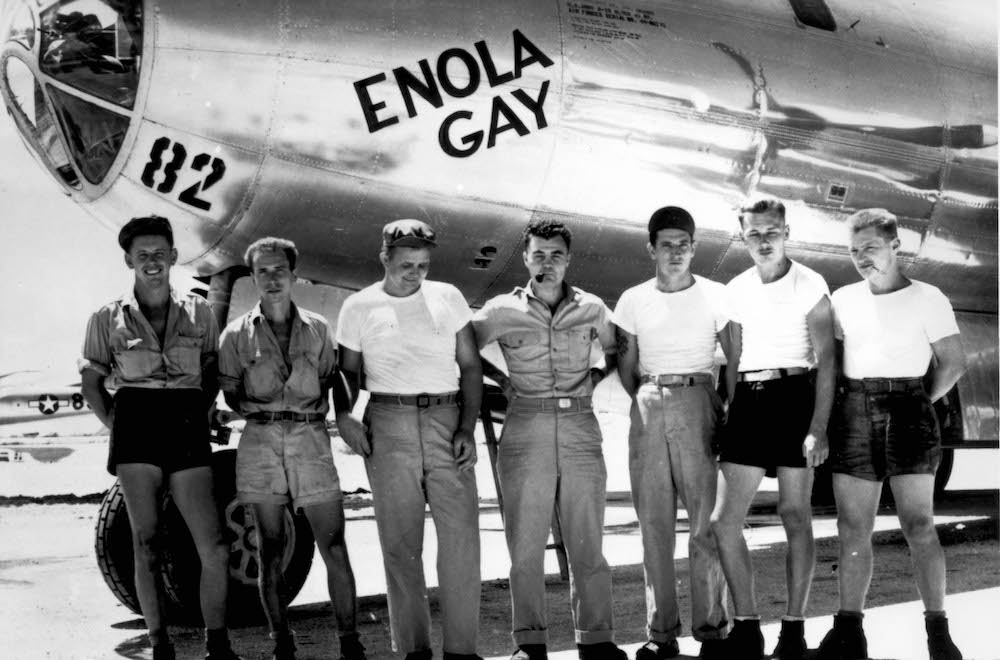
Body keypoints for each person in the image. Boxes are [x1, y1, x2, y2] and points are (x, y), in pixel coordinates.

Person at [79, 215, 241, 660]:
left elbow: (211, 369)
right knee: (146, 542)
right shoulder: (105, 318)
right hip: (136, 425)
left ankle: (218, 645)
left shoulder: (201, 310)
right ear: (129, 260)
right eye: (142, 255)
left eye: (159, 254)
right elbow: (91, 383)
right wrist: (120, 428)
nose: (151, 262)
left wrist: (202, 407)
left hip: (185, 424)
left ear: (173, 256)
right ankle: (160, 644)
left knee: (213, 544)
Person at [472, 218, 626, 660]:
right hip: (526, 426)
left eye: (556, 254)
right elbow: (462, 346)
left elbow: (616, 349)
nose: (547, 263)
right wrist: (501, 378)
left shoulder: (593, 308)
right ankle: (530, 642)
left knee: (587, 539)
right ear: (525, 258)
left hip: (579, 426)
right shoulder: (502, 309)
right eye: (539, 254)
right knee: (525, 541)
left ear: (568, 259)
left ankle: (596, 640)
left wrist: (596, 376)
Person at [816, 209, 966, 660]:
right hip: (854, 411)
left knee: (919, 525)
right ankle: (849, 632)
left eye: (871, 247)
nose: (862, 257)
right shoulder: (842, 298)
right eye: (854, 250)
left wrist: (917, 402)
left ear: (895, 245)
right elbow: (831, 361)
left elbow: (953, 362)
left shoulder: (928, 297)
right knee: (852, 528)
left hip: (909, 411)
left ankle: (938, 634)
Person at [335, 219, 483, 660]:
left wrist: (467, 428)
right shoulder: (358, 307)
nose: (415, 272)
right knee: (400, 545)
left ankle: (461, 650)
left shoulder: (448, 297)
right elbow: (347, 372)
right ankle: (414, 651)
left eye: (422, 264)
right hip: (389, 421)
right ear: (384, 258)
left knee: (461, 540)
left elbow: (471, 366)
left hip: (446, 416)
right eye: (405, 264)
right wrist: (343, 415)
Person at [218, 237, 365, 660]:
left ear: (294, 274)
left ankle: (349, 642)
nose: (272, 277)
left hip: (310, 440)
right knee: (270, 546)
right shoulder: (235, 336)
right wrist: (260, 412)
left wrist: (341, 415)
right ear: (252, 277)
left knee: (333, 543)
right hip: (260, 442)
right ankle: (281, 642)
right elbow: (230, 391)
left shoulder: (318, 328)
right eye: (262, 270)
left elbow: (332, 378)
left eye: (280, 269)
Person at [710, 198, 835, 660]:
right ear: (742, 238)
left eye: (771, 232)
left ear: (787, 233)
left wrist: (817, 428)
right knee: (724, 522)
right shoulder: (736, 288)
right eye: (753, 234)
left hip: (794, 396)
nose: (763, 241)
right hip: (749, 400)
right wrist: (730, 410)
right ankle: (746, 626)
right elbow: (735, 357)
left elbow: (825, 360)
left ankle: (794, 628)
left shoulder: (809, 282)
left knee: (794, 514)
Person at [615, 207, 732, 660]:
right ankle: (661, 634)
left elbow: (733, 358)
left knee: (705, 523)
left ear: (694, 247)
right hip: (649, 404)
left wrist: (714, 405)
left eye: (684, 244)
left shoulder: (716, 295)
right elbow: (626, 367)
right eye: (667, 244)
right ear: (651, 248)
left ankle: (712, 630)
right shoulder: (632, 299)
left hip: (698, 397)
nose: (676, 252)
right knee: (654, 527)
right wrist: (651, 397)